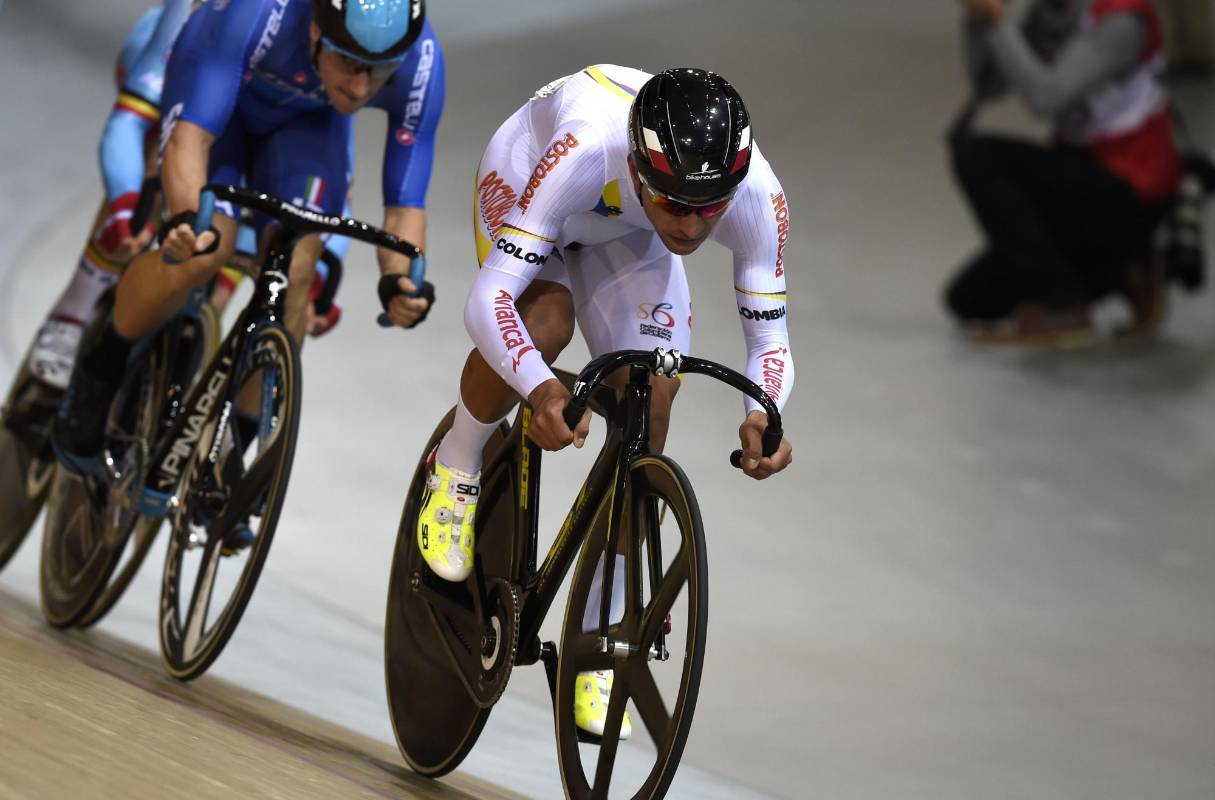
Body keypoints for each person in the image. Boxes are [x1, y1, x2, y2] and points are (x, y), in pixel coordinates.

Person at [413, 65, 795, 737]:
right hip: (533, 182)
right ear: (641, 171)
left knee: (652, 395)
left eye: (708, 209)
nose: (691, 226)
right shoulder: (586, 148)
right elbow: (488, 300)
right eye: (675, 203)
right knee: (545, 325)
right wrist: (540, 383)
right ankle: (457, 460)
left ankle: (604, 624)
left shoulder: (756, 193)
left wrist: (763, 412)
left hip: (623, 230)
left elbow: (769, 337)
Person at [53, 0, 444, 474]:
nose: (361, 87)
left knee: (297, 268)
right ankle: (100, 368)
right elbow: (191, 140)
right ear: (317, 33)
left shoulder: (421, 60)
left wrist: (400, 282)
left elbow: (405, 205)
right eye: (350, 62)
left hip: (306, 125)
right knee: (204, 248)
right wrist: (183, 222)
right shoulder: (260, 14)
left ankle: (230, 459)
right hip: (219, 100)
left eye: (379, 70)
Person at [945, 0, 1183, 345]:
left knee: (978, 156)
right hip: (1085, 186)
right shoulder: (1053, 11)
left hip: (1131, 191)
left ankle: (1064, 305)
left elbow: (1045, 98)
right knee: (969, 299)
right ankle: (1128, 269)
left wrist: (997, 22)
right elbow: (988, 86)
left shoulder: (1120, 18)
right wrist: (977, 21)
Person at [27, 0, 193, 390]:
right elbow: (129, 122)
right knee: (157, 164)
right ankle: (73, 313)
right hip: (166, 60)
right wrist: (124, 206)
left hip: (256, 97)